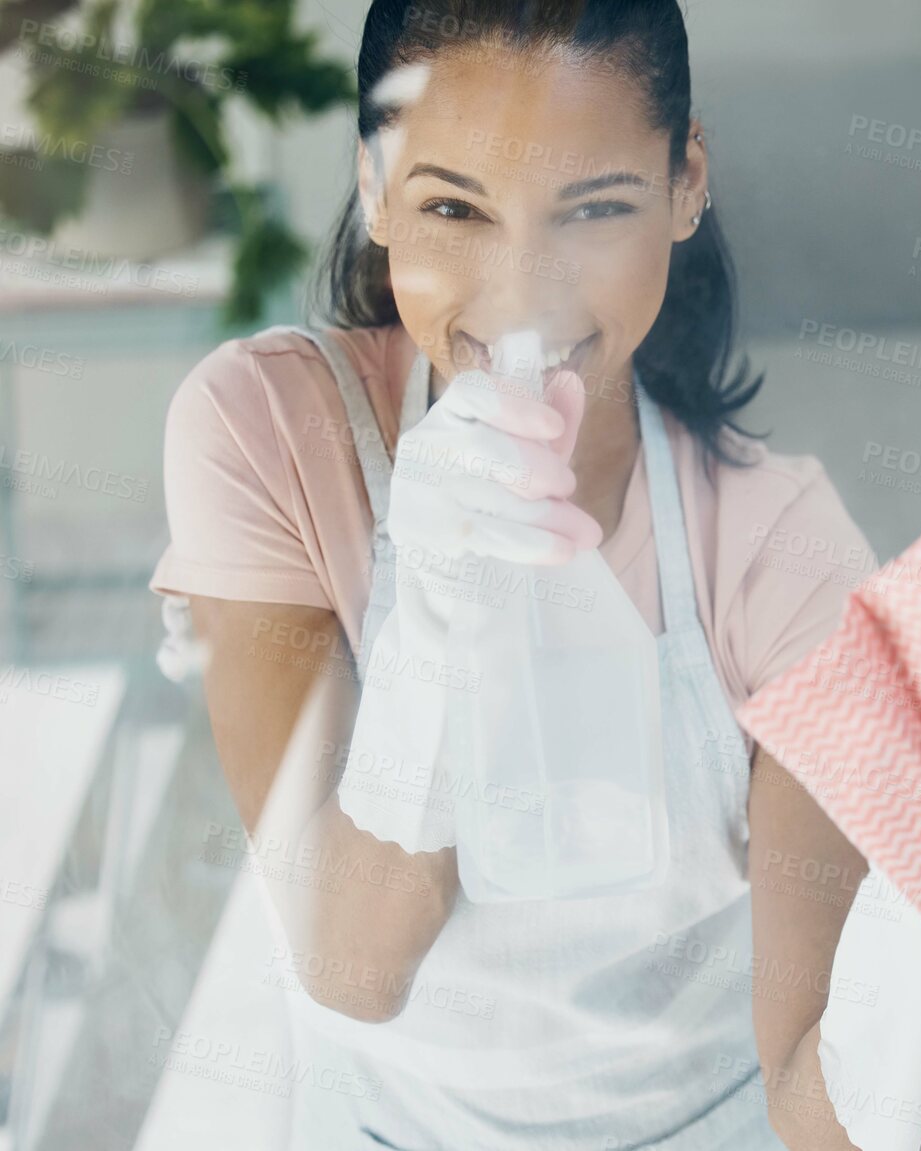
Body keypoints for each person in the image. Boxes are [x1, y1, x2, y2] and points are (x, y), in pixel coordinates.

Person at [148, 1, 874, 1146]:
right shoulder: (267, 432)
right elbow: (350, 963)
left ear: (685, 181)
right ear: (376, 188)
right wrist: (438, 628)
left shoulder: (780, 543)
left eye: (593, 208)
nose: (521, 289)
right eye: (452, 206)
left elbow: (809, 1093)